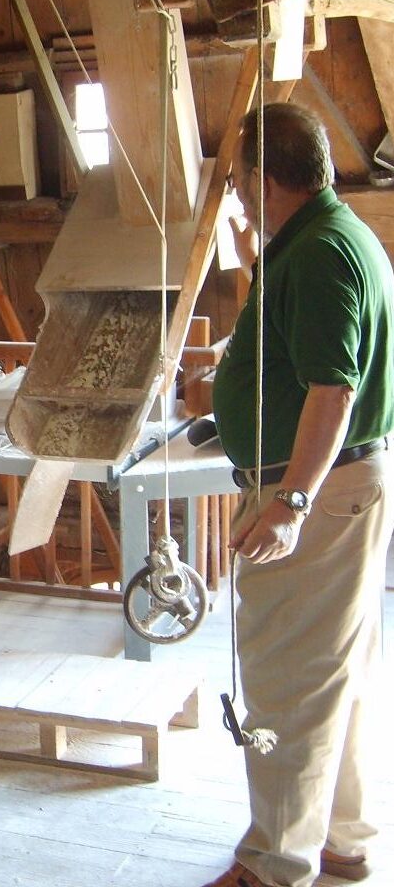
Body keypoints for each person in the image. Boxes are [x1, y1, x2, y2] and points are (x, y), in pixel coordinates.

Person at [206, 103, 394, 887]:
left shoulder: (319, 253)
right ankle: (343, 842)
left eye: (243, 181)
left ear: (267, 177)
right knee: (332, 676)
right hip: (339, 485)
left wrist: (289, 502)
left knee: (286, 680)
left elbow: (334, 388)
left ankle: (274, 863)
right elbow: (305, 368)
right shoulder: (327, 235)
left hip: (318, 492)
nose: (240, 198)